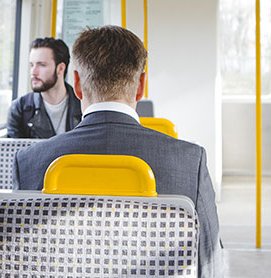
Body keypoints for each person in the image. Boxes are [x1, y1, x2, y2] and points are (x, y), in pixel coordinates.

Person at [12, 26, 223, 278]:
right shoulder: (190, 162)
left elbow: (21, 262)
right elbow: (209, 263)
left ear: (77, 84)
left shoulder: (29, 162)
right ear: (141, 86)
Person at [6, 38, 83, 139]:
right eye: (31, 65)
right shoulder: (19, 109)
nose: (33, 72)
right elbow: (15, 153)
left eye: (42, 65)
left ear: (60, 68)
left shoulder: (83, 106)